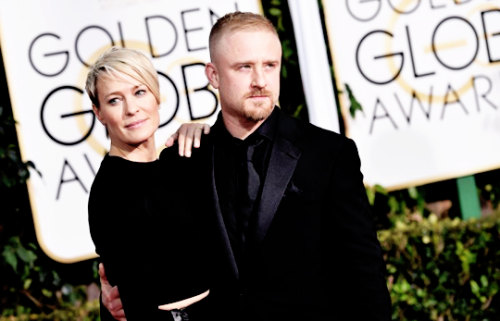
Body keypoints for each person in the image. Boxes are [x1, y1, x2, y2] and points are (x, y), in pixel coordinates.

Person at [101, 12, 392, 321]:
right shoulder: (183, 161)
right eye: (244, 67)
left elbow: (364, 275)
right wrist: (115, 301)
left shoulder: (328, 154)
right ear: (213, 75)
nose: (260, 81)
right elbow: (149, 258)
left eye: (270, 65)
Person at [86, 47, 212, 321]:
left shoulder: (174, 165)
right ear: (99, 113)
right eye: (114, 100)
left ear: (157, 96)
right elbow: (138, 305)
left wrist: (201, 130)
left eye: (139, 92)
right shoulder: (114, 192)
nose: (132, 109)